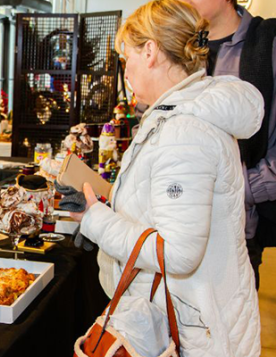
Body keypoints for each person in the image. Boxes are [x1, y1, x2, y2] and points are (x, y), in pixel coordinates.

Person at [71, 1, 262, 355]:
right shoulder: (179, 115)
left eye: (127, 58)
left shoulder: (184, 131)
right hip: (193, 318)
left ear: (150, 51)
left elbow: (177, 252)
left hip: (195, 331)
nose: (125, 72)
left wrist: (94, 219)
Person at [184, 0, 276, 291]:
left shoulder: (268, 44)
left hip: (236, 228)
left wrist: (243, 190)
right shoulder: (179, 46)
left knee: (232, 331)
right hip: (178, 223)